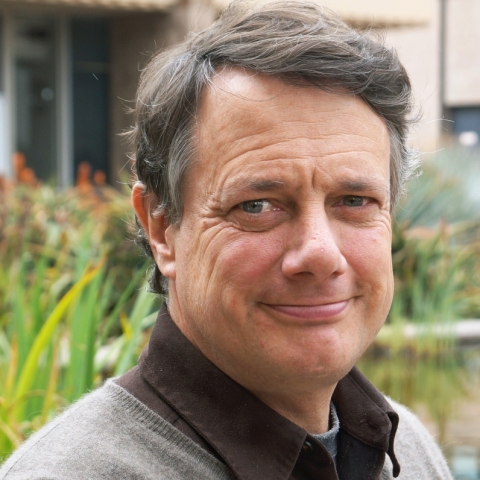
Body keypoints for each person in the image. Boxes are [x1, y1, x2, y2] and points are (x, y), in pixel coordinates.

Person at [0, 2, 453, 479]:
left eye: (355, 201)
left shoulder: (410, 453)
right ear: (161, 228)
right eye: (257, 206)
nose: (320, 253)